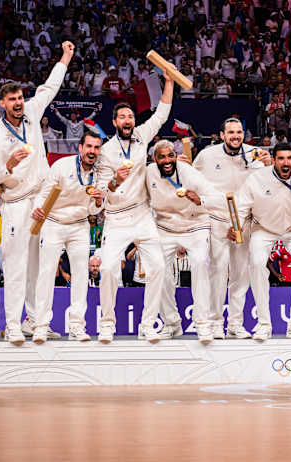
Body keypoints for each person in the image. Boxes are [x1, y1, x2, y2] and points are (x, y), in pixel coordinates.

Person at [0, 41, 75, 343]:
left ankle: (36, 322)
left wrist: (66, 56)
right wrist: (9, 164)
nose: (19, 103)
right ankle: (11, 324)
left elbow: (50, 87)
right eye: (12, 99)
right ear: (2, 105)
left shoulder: (33, 112)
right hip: (16, 203)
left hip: (41, 199)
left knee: (42, 264)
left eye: (20, 97)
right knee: (17, 266)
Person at [96, 67, 175, 343]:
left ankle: (148, 323)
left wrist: (168, 81)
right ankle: (107, 323)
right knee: (107, 269)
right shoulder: (106, 151)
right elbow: (105, 192)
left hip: (142, 215)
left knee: (159, 269)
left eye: (130, 116)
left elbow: (163, 112)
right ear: (115, 122)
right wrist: (116, 181)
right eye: (122, 117)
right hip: (116, 217)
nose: (127, 120)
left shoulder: (142, 136)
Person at [192, 118, 273, 339]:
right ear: (222, 134)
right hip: (218, 219)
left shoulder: (256, 154)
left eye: (239, 132)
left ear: (244, 134)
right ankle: (216, 322)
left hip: (245, 221)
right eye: (231, 132)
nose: (235, 136)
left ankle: (235, 324)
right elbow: (191, 179)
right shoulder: (207, 155)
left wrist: (269, 166)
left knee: (240, 274)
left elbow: (270, 185)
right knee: (217, 272)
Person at [234, 143, 291, 340]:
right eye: (281, 158)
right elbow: (241, 207)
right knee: (256, 263)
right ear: (273, 160)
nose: (285, 162)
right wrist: (236, 226)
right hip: (263, 228)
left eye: (289, 158)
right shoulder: (256, 179)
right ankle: (264, 324)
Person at [31, 131, 105, 342]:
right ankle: (41, 325)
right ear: (80, 148)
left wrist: (99, 202)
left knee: (81, 275)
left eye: (96, 147)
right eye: (89, 147)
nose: (92, 151)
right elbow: (44, 193)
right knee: (46, 274)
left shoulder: (100, 174)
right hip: (53, 222)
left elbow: (93, 210)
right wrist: (37, 208)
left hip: (79, 225)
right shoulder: (62, 166)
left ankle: (76, 326)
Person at [146, 140, 222, 343]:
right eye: (161, 157)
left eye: (170, 155)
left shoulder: (189, 173)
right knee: (158, 269)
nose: (167, 160)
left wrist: (201, 200)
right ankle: (171, 323)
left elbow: (218, 198)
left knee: (199, 263)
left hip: (195, 223)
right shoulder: (149, 173)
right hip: (165, 226)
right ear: (154, 160)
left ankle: (203, 323)